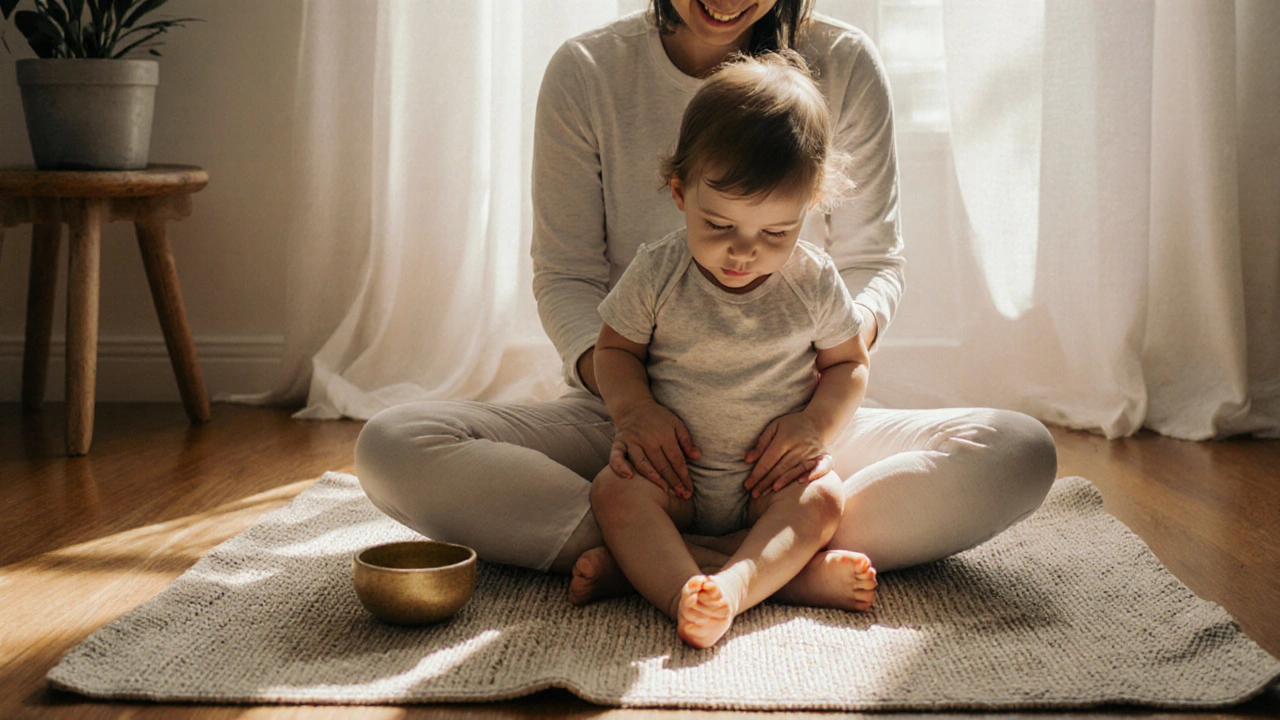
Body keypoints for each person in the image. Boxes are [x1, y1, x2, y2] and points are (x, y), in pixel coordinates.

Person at [354, 0, 1057, 613]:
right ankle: (765, 565)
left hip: (788, 432)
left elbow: (874, 264)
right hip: (628, 424)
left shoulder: (842, 61)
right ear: (679, 190)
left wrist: (812, 412)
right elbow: (566, 277)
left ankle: (658, 565)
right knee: (392, 445)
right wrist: (634, 411)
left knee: (1021, 452)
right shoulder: (587, 71)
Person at [591, 50, 877, 648]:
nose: (744, 251)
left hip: (769, 482)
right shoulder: (658, 272)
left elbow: (848, 364)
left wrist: (814, 428)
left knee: (823, 499)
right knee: (612, 493)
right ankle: (686, 590)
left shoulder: (813, 280)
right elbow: (613, 352)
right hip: (674, 479)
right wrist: (635, 413)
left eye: (776, 232)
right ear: (680, 192)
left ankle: (736, 583)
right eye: (719, 225)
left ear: (811, 205)